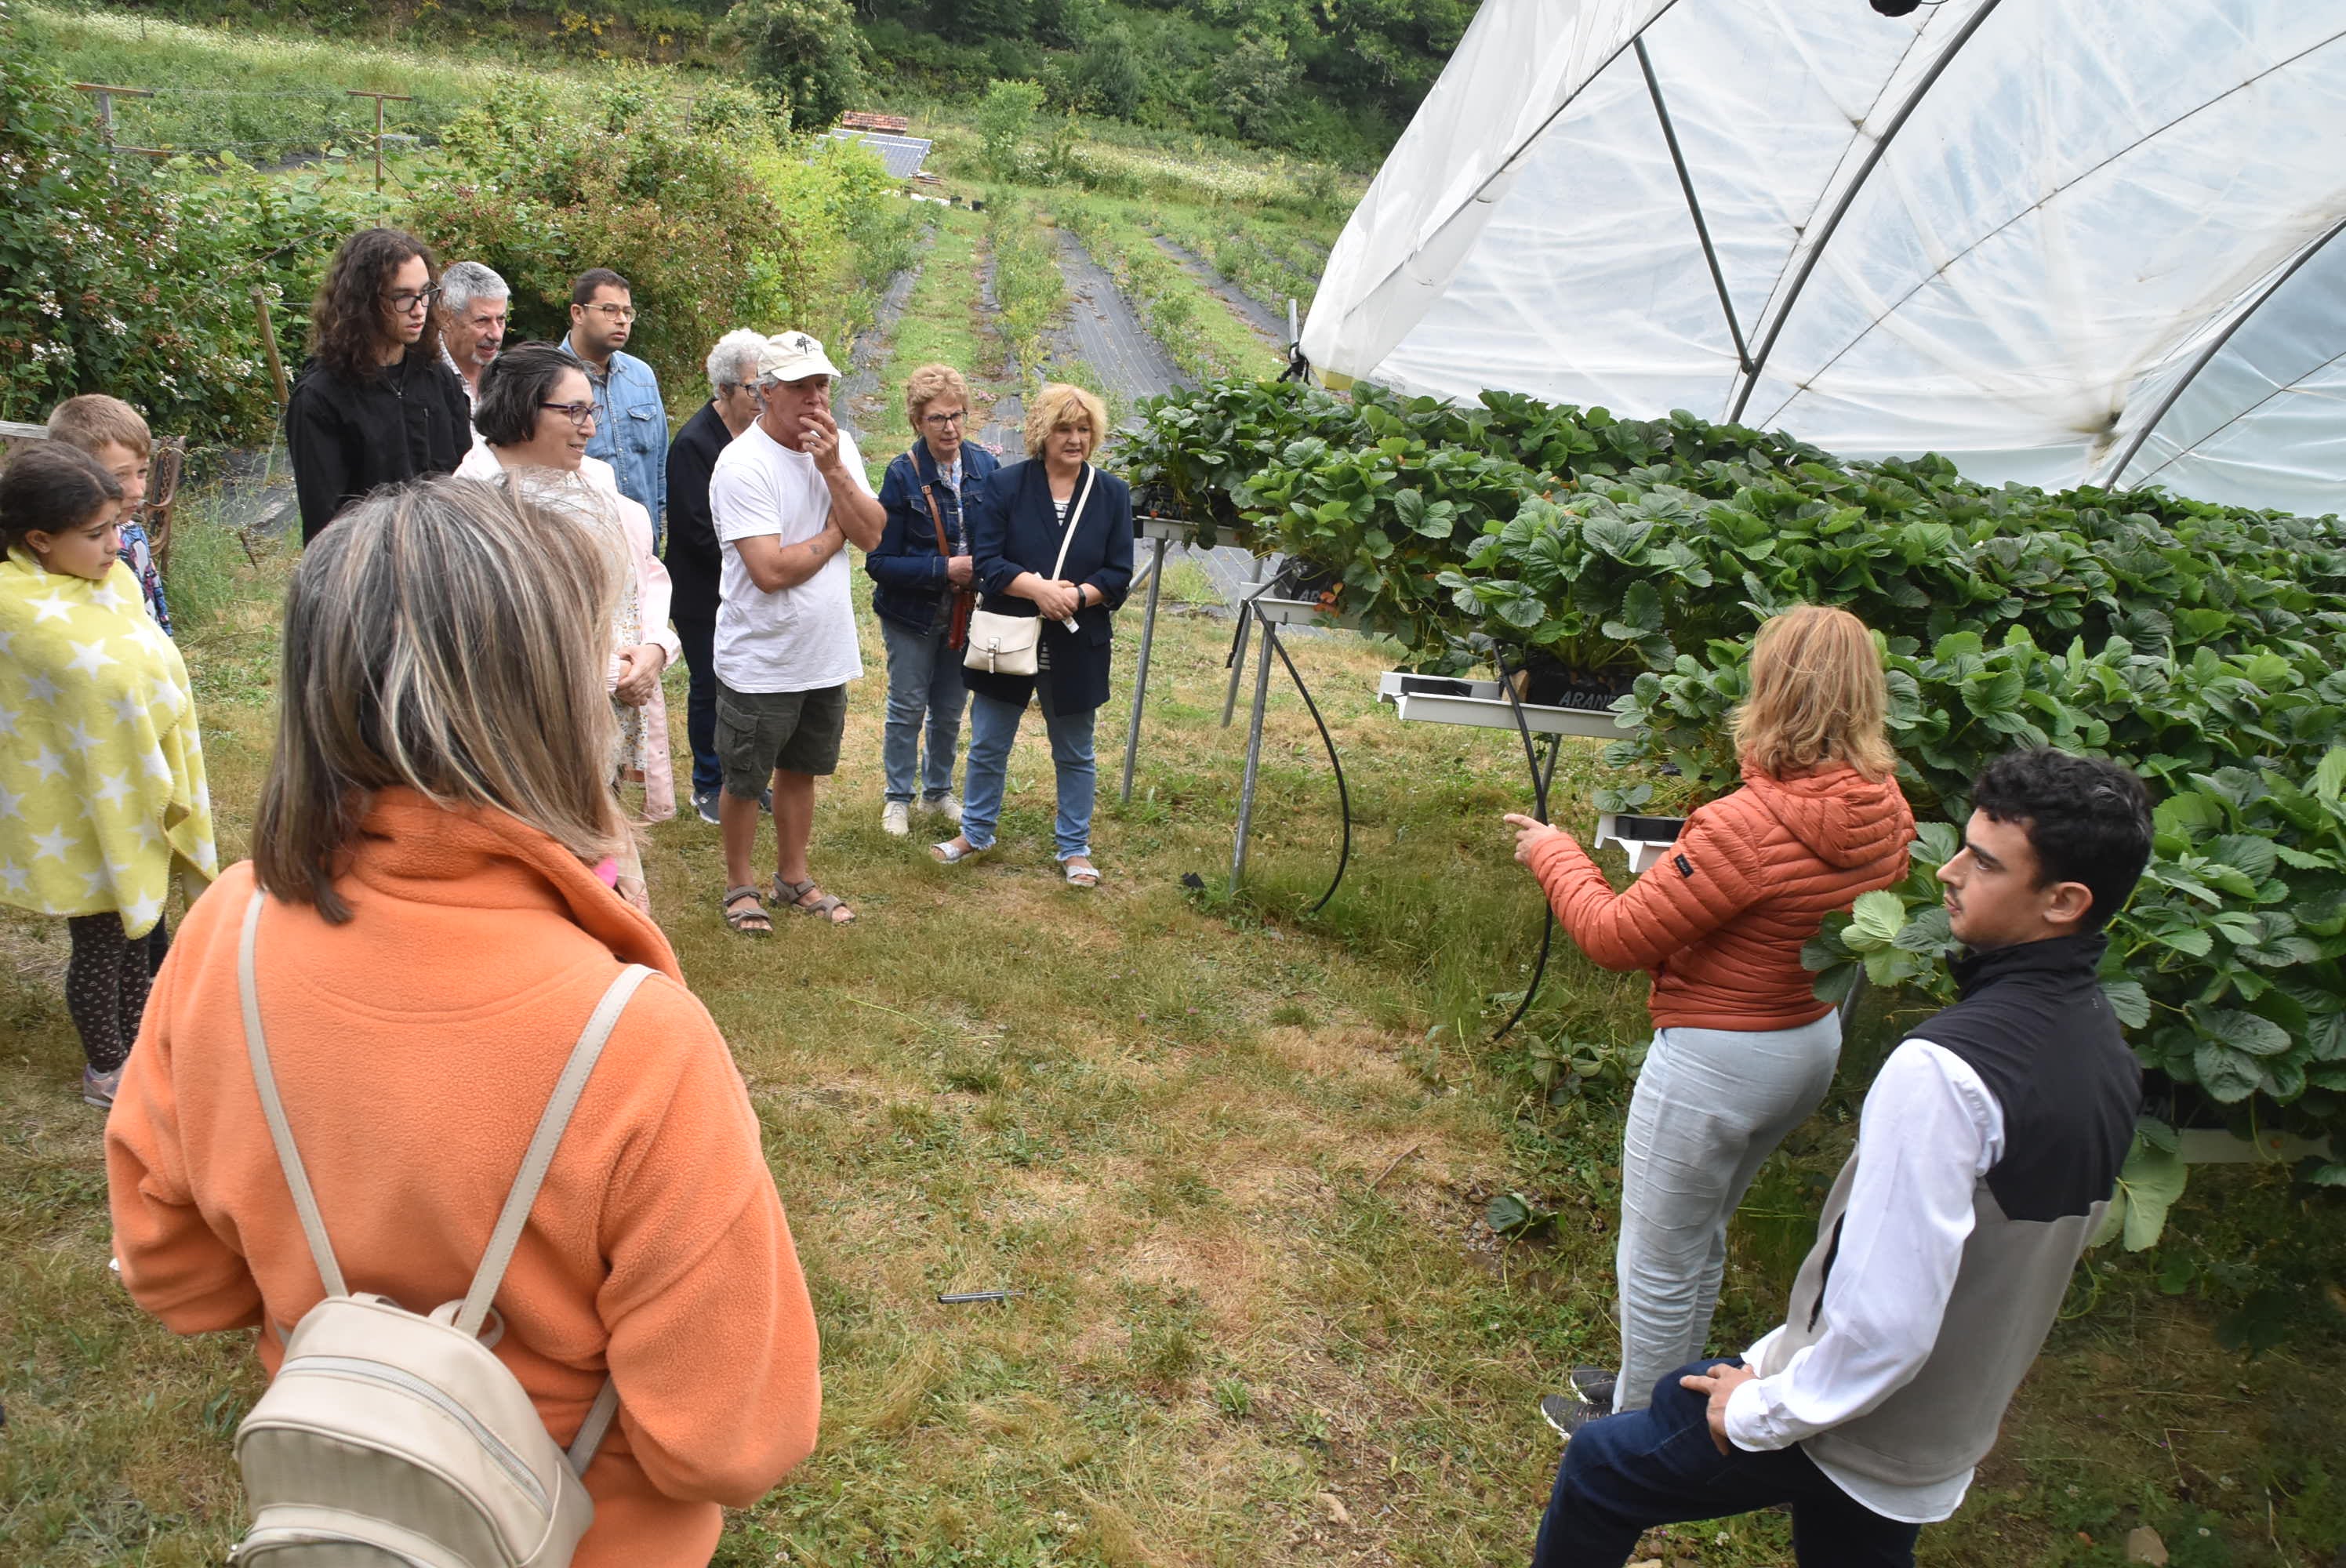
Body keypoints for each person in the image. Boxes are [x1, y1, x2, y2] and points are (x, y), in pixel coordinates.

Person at [104, 477, 821, 1568]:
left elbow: (177, 1276)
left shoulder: (225, 934)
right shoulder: (638, 1039)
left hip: (341, 1519)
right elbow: (731, 1441)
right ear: (544, 706)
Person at [1531, 748, 2152, 1568]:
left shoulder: (1945, 1073)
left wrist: (1759, 1406)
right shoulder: (2102, 1046)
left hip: (1856, 1424)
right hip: (1945, 1425)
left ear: (2064, 900)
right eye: (1963, 845)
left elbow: (1886, 1324)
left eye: (1986, 862)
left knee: (1603, 1465)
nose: (1950, 873)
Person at [1506, 604, 1913, 1428]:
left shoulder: (1744, 826)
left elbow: (1615, 935)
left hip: (1718, 1061)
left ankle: (1639, 1434)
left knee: (1655, 1253)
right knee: (1703, 1226)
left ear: (1770, 687)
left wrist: (1553, 853)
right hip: (1805, 1038)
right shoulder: (1883, 804)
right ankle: (1665, 1386)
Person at [0, 445, 216, 1109]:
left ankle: (146, 1040)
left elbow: (143, 656)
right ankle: (107, 1068)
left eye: (117, 526)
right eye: (96, 534)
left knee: (147, 926)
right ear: (40, 540)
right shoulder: (18, 609)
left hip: (137, 786)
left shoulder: (108, 581)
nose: (115, 545)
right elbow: (84, 691)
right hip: (84, 804)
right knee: (103, 940)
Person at [457, 343, 680, 908]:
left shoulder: (594, 482)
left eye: (591, 411)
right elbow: (492, 636)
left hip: (603, 716)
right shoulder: (471, 505)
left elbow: (645, 577)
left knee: (598, 848)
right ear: (523, 410)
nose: (588, 427)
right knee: (548, 865)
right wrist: (606, 672)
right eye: (573, 412)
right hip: (525, 731)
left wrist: (653, 649)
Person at [707, 331, 883, 934]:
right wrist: (833, 535)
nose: (815, 399)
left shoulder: (838, 448)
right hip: (761, 656)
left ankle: (792, 876)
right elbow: (770, 571)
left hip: (823, 650)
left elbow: (874, 533)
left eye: (822, 385)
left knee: (801, 770)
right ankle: (738, 884)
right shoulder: (742, 465)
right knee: (744, 776)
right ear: (765, 393)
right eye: (800, 386)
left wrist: (833, 468)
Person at [932, 383, 1132, 887]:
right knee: (989, 741)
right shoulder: (1007, 486)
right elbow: (989, 563)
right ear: (1042, 433)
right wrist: (1039, 591)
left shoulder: (1110, 493)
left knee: (1075, 750)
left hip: (1077, 636)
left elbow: (1118, 573)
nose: (1074, 438)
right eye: (1064, 428)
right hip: (1009, 630)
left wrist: (1077, 597)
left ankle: (1074, 848)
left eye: (1083, 428)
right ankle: (976, 832)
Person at [866, 363, 998, 837]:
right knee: (906, 707)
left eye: (957, 416)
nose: (950, 428)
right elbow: (879, 562)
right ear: (918, 422)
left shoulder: (986, 466)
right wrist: (946, 570)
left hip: (967, 614)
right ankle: (897, 798)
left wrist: (985, 573)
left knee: (948, 709)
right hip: (911, 614)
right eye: (938, 419)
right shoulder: (902, 474)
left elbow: (1000, 541)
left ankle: (938, 791)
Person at [284, 227, 474, 544]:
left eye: (426, 293)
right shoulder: (320, 398)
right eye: (402, 297)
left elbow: (463, 479)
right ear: (364, 303)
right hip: (367, 573)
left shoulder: (438, 379)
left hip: (443, 561)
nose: (419, 309)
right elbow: (325, 524)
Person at [667, 328, 769, 824]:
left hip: (746, 588)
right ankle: (708, 784)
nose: (762, 397)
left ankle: (745, 780)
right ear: (725, 390)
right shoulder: (693, 444)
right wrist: (761, 556)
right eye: (754, 388)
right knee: (710, 686)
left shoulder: (760, 438)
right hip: (704, 593)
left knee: (748, 689)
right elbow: (696, 533)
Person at [46, 394, 169, 635]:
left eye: (142, 472)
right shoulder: (56, 546)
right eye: (119, 476)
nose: (137, 491)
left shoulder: (133, 537)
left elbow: (153, 619)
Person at [563, 267, 668, 550]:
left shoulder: (641, 377)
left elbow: (658, 462)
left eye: (627, 312)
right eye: (609, 310)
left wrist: (656, 527)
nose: (621, 320)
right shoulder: (550, 378)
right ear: (578, 313)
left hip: (642, 543)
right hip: (582, 543)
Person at [438, 259, 510, 412]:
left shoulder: (509, 377)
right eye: (482, 321)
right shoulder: (418, 376)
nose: (496, 335)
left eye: (501, 320)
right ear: (446, 319)